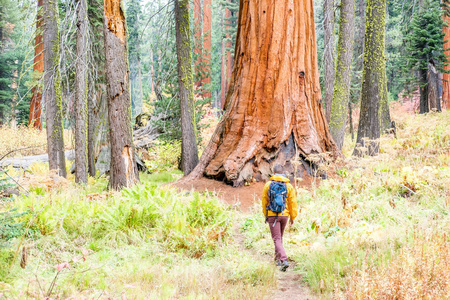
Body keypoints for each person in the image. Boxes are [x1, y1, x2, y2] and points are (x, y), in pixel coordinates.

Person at [262, 164, 298, 271]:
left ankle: (283, 259)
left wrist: (266, 214)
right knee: (279, 238)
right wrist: (293, 216)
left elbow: (264, 201)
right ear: (283, 173)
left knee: (276, 239)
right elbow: (292, 202)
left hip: (272, 215)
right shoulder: (288, 186)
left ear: (273, 173)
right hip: (284, 215)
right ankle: (277, 259)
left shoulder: (268, 185)